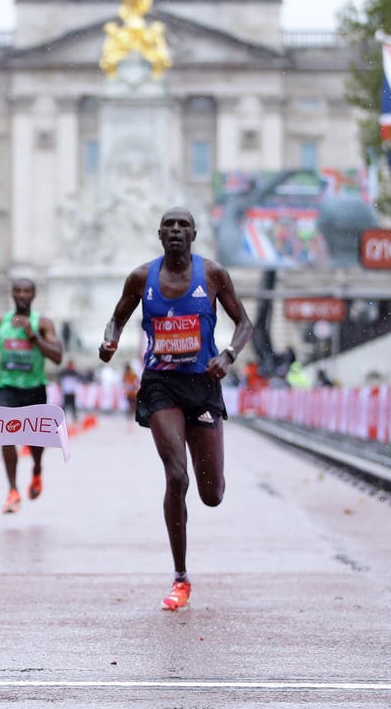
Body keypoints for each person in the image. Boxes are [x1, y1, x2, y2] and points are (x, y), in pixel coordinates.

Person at [98, 206, 252, 612]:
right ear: (160, 234)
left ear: (194, 235)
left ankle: (211, 472)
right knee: (176, 476)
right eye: (169, 225)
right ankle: (180, 576)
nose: (177, 231)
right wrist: (109, 341)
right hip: (161, 384)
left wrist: (229, 354)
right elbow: (115, 319)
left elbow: (245, 323)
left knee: (212, 494)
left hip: (203, 384)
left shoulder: (214, 275)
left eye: (184, 225)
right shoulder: (140, 278)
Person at [0, 278, 63, 514]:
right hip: (8, 387)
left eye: (27, 291)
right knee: (6, 436)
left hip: (34, 388)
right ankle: (12, 491)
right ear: (12, 294)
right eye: (18, 291)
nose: (22, 295)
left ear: (34, 295)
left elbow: (58, 356)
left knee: (35, 441)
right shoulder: (0, 322)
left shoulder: (42, 323)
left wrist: (33, 337)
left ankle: (37, 468)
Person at [58, 360, 82, 425]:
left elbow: (77, 382)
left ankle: (74, 419)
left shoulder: (74, 372)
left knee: (73, 407)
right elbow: (60, 381)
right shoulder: (64, 372)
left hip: (72, 392)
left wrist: (76, 390)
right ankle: (61, 419)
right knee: (64, 407)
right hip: (65, 392)